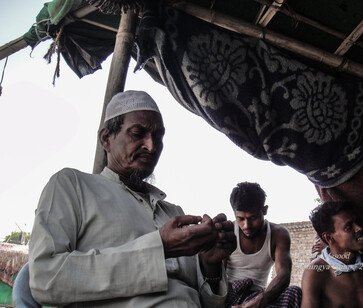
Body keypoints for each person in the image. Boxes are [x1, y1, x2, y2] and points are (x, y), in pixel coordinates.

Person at [28, 90, 236, 307]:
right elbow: (46, 279)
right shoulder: (72, 186)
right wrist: (160, 247)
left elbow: (205, 303)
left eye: (158, 136)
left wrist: (209, 265)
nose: (152, 146)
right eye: (138, 133)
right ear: (106, 138)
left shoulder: (173, 212)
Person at [225, 182, 301, 308]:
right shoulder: (228, 232)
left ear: (264, 210)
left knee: (294, 292)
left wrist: (258, 302)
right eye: (241, 219)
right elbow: (217, 279)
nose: (246, 226)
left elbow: (284, 274)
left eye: (253, 218)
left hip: (260, 296)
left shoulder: (278, 234)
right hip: (231, 293)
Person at [301, 200, 363, 308]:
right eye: (349, 227)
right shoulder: (316, 273)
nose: (359, 228)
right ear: (329, 237)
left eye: (357, 223)